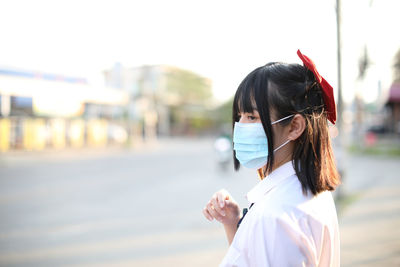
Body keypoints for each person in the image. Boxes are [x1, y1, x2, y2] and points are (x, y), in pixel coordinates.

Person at [202, 50, 341, 266]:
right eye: (239, 116)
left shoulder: (275, 216)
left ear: (294, 126)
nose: (240, 127)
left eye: (252, 117)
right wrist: (233, 223)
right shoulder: (307, 192)